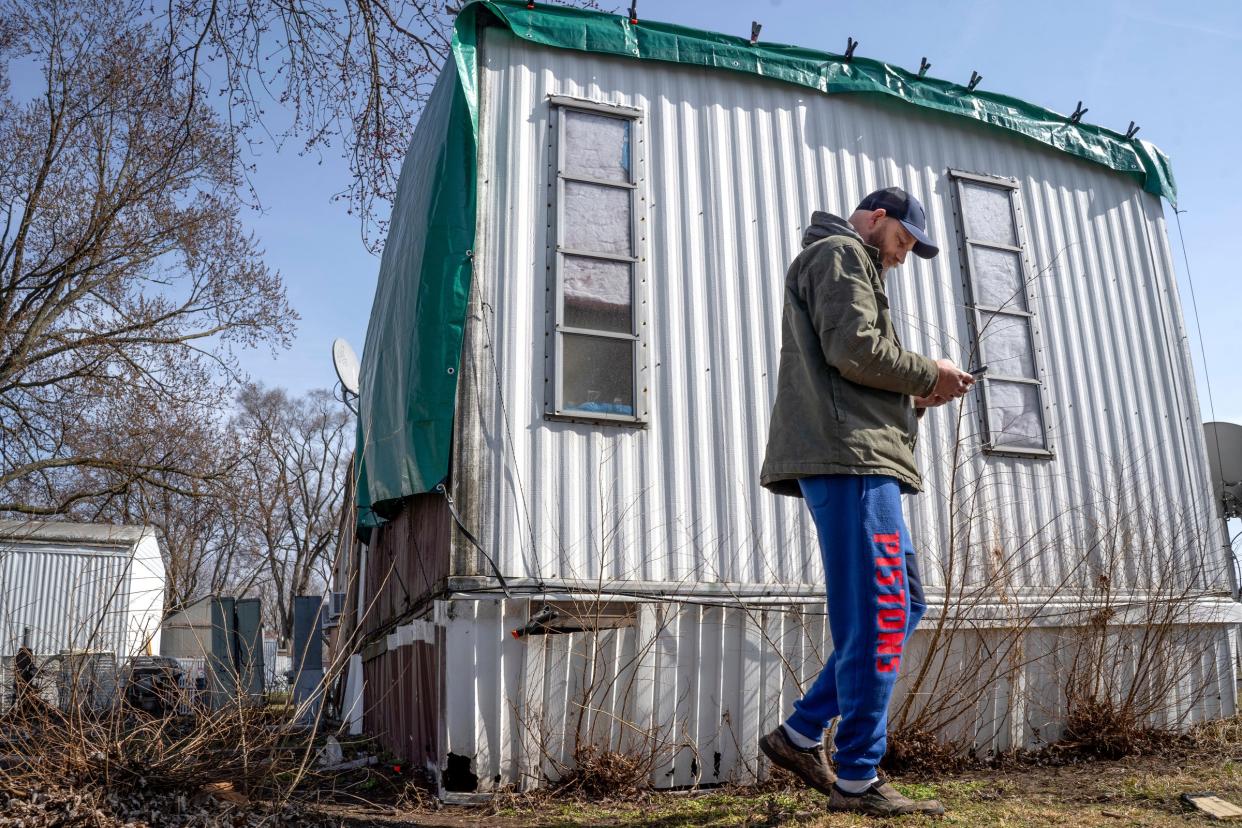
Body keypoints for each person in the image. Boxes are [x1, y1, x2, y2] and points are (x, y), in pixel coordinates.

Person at [756, 187, 975, 817]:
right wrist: (929, 371)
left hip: (862, 456)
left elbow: (858, 367)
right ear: (877, 219)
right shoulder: (839, 254)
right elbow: (853, 350)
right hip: (850, 459)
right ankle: (856, 775)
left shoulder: (853, 260)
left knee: (902, 605)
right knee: (881, 611)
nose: (903, 257)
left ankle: (799, 734)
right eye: (903, 241)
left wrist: (916, 395)